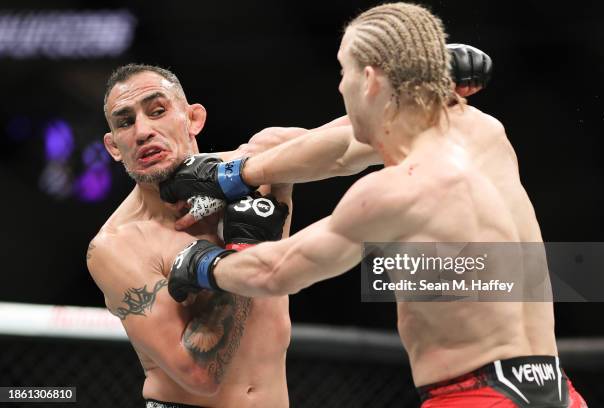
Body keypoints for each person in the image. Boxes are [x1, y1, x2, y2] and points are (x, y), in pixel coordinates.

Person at [160, 3, 587, 407]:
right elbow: (343, 147)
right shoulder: (484, 131)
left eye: (344, 71)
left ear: (369, 80)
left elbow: (275, 271)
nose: (339, 85)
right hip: (559, 390)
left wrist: (201, 263)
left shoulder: (397, 190)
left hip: (476, 397)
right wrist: (234, 174)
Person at [87, 45, 490, 407]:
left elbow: (353, 144)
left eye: (157, 111)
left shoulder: (260, 164)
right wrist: (245, 245)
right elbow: (199, 375)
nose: (142, 131)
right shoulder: (117, 247)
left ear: (193, 118)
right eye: (125, 122)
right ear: (113, 146)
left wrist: (420, 83)